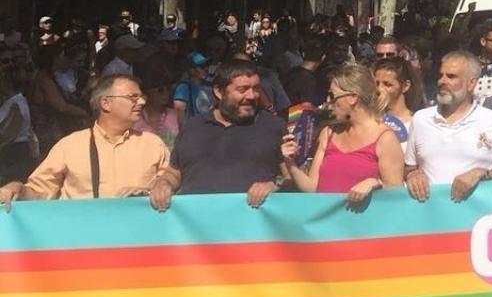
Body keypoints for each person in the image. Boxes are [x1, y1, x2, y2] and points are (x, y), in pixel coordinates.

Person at [0, 73, 167, 207]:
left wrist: (163, 185)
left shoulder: (153, 144)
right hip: (84, 241)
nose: (142, 101)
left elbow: (171, 182)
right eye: (133, 97)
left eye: (142, 96)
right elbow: (39, 192)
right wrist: (17, 189)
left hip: (137, 241)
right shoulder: (70, 146)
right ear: (106, 103)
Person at [149, 59, 288, 209]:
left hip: (252, 226)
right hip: (197, 225)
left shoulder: (274, 126)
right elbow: (174, 172)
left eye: (256, 88)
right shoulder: (193, 127)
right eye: (243, 89)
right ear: (219, 92)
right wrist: (163, 183)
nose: (252, 95)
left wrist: (273, 186)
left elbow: (291, 176)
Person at [281, 63, 404, 208]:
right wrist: (290, 162)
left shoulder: (385, 138)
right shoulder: (329, 132)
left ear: (352, 98)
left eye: (333, 96)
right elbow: (312, 187)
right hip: (327, 227)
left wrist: (375, 183)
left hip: (364, 227)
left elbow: (396, 197)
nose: (328, 102)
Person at [404, 51, 492, 202]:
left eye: (451, 76)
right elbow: (409, 167)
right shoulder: (421, 119)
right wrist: (413, 175)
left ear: (471, 83)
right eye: (440, 75)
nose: (442, 81)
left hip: (473, 218)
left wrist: (482, 173)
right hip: (429, 216)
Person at [373, 56, 416, 144]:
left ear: (405, 86)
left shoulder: (416, 123)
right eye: (377, 84)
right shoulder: (370, 120)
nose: (379, 89)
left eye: (387, 84)